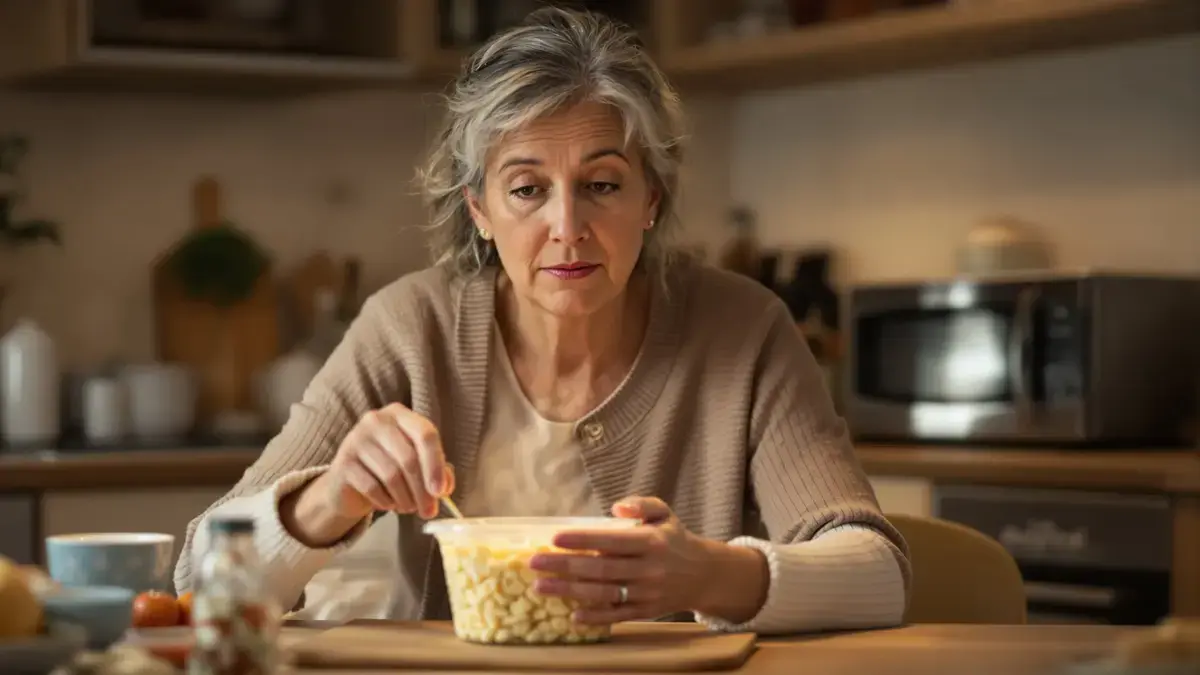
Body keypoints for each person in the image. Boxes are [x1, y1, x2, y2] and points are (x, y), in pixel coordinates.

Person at [175, 7, 910, 634]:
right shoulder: (409, 326)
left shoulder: (744, 329)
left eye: (602, 184)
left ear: (650, 199)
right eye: (527, 189)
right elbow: (200, 583)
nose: (567, 226)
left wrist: (704, 574)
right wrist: (330, 498)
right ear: (479, 210)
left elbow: (879, 575)